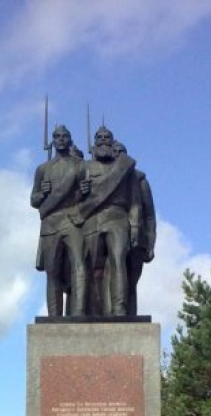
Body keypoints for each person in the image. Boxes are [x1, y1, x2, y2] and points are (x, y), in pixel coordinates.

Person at [79, 127, 140, 316]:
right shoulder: (84, 168)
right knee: (91, 267)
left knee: (118, 261)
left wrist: (135, 226)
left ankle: (119, 308)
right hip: (92, 219)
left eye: (107, 138)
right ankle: (94, 310)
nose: (104, 140)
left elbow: (135, 201)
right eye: (100, 138)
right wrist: (81, 192)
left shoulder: (125, 168)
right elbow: (73, 201)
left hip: (117, 217)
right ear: (94, 142)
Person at [30, 125, 88, 316]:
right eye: (57, 136)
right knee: (52, 272)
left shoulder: (80, 165)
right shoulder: (43, 169)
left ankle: (78, 313)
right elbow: (34, 200)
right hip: (51, 223)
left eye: (65, 136)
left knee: (79, 265)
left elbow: (85, 196)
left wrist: (83, 192)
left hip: (72, 220)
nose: (61, 139)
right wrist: (43, 193)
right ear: (53, 141)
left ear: (70, 140)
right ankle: (54, 317)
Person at [112, 141, 156, 316]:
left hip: (138, 241)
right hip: (114, 234)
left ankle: (130, 318)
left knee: (131, 283)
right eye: (113, 152)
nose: (116, 155)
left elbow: (150, 215)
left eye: (120, 152)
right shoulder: (104, 180)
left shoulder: (140, 180)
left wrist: (151, 244)